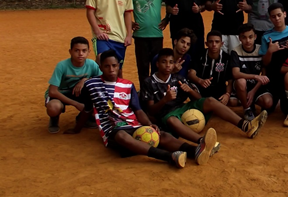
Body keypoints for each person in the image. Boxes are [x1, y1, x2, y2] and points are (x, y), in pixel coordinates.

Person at [65, 50, 217, 168]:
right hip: (113, 128)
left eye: (114, 66)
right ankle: (169, 157)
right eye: (107, 66)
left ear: (119, 66)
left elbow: (137, 110)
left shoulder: (128, 85)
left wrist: (148, 124)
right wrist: (77, 128)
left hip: (134, 123)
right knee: (122, 137)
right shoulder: (91, 85)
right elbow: (86, 110)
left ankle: (195, 151)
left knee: (160, 135)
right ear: (101, 67)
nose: (111, 69)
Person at [141, 48, 268, 142]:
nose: (168, 65)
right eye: (164, 62)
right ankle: (202, 142)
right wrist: (165, 100)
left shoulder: (177, 78)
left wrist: (190, 90)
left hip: (183, 108)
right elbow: (151, 111)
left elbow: (198, 99)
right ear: (157, 64)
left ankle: (245, 125)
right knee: (172, 120)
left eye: (171, 62)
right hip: (166, 114)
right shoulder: (149, 82)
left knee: (211, 101)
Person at [85, 0, 133, 76]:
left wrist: (129, 35)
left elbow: (128, 14)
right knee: (103, 63)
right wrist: (97, 32)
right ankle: (100, 92)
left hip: (120, 38)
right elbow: (90, 12)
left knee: (118, 70)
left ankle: (119, 93)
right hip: (103, 37)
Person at [44, 36, 101, 133]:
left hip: (78, 93)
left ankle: (83, 118)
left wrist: (85, 80)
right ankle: (54, 118)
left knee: (98, 95)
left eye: (84, 50)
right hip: (60, 94)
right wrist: (76, 104)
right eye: (76, 50)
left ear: (88, 52)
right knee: (54, 108)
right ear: (70, 51)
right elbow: (52, 91)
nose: (80, 54)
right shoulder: (62, 66)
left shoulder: (92, 64)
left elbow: (101, 80)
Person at [130, 0, 168, 87]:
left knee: (157, 66)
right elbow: (121, 10)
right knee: (143, 67)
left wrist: (167, 19)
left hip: (156, 34)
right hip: (140, 35)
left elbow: (171, 4)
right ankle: (145, 92)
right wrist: (129, 23)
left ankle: (156, 91)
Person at [260, 3, 288, 109]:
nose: (277, 19)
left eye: (279, 15)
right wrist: (270, 51)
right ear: (270, 18)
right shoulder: (266, 36)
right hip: (274, 77)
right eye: (273, 16)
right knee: (270, 107)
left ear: (285, 14)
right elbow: (265, 63)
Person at [231, 23, 273, 121]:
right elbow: (235, 74)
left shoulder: (261, 50)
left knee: (268, 103)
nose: (248, 40)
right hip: (241, 84)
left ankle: (248, 101)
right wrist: (255, 76)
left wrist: (253, 91)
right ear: (239, 38)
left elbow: (264, 74)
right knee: (241, 81)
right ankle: (247, 109)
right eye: (244, 37)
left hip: (256, 85)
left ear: (255, 37)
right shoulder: (235, 51)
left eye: (250, 37)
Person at [188, 30, 233, 104]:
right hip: (200, 87)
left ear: (222, 44)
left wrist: (227, 94)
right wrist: (200, 81)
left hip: (219, 89)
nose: (214, 44)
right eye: (211, 42)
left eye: (217, 42)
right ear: (206, 43)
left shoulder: (227, 59)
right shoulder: (199, 55)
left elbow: (230, 81)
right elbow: (191, 74)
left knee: (232, 102)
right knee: (191, 89)